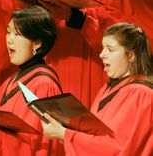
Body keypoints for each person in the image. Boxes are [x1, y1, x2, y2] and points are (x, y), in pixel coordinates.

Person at [42, 22, 153, 155]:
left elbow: (117, 148)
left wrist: (64, 134)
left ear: (130, 56)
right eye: (102, 48)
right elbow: (95, 135)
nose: (101, 55)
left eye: (110, 49)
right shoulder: (107, 88)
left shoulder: (140, 94)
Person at [0, 6, 64, 155]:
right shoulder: (9, 82)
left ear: (37, 43)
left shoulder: (44, 84)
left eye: (17, 34)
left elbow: (42, 142)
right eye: (8, 32)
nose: (9, 39)